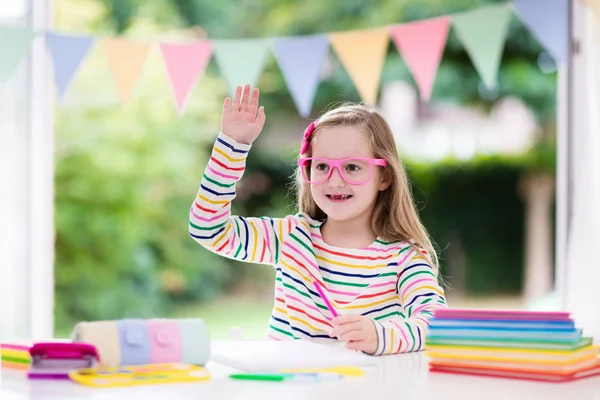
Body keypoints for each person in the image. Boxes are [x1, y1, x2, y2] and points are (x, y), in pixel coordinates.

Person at [189, 84, 447, 355]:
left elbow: (437, 324)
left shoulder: (404, 258)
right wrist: (232, 148)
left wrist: (380, 336)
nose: (334, 180)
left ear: (385, 176)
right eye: (322, 166)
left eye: (352, 167)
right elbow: (208, 228)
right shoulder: (290, 238)